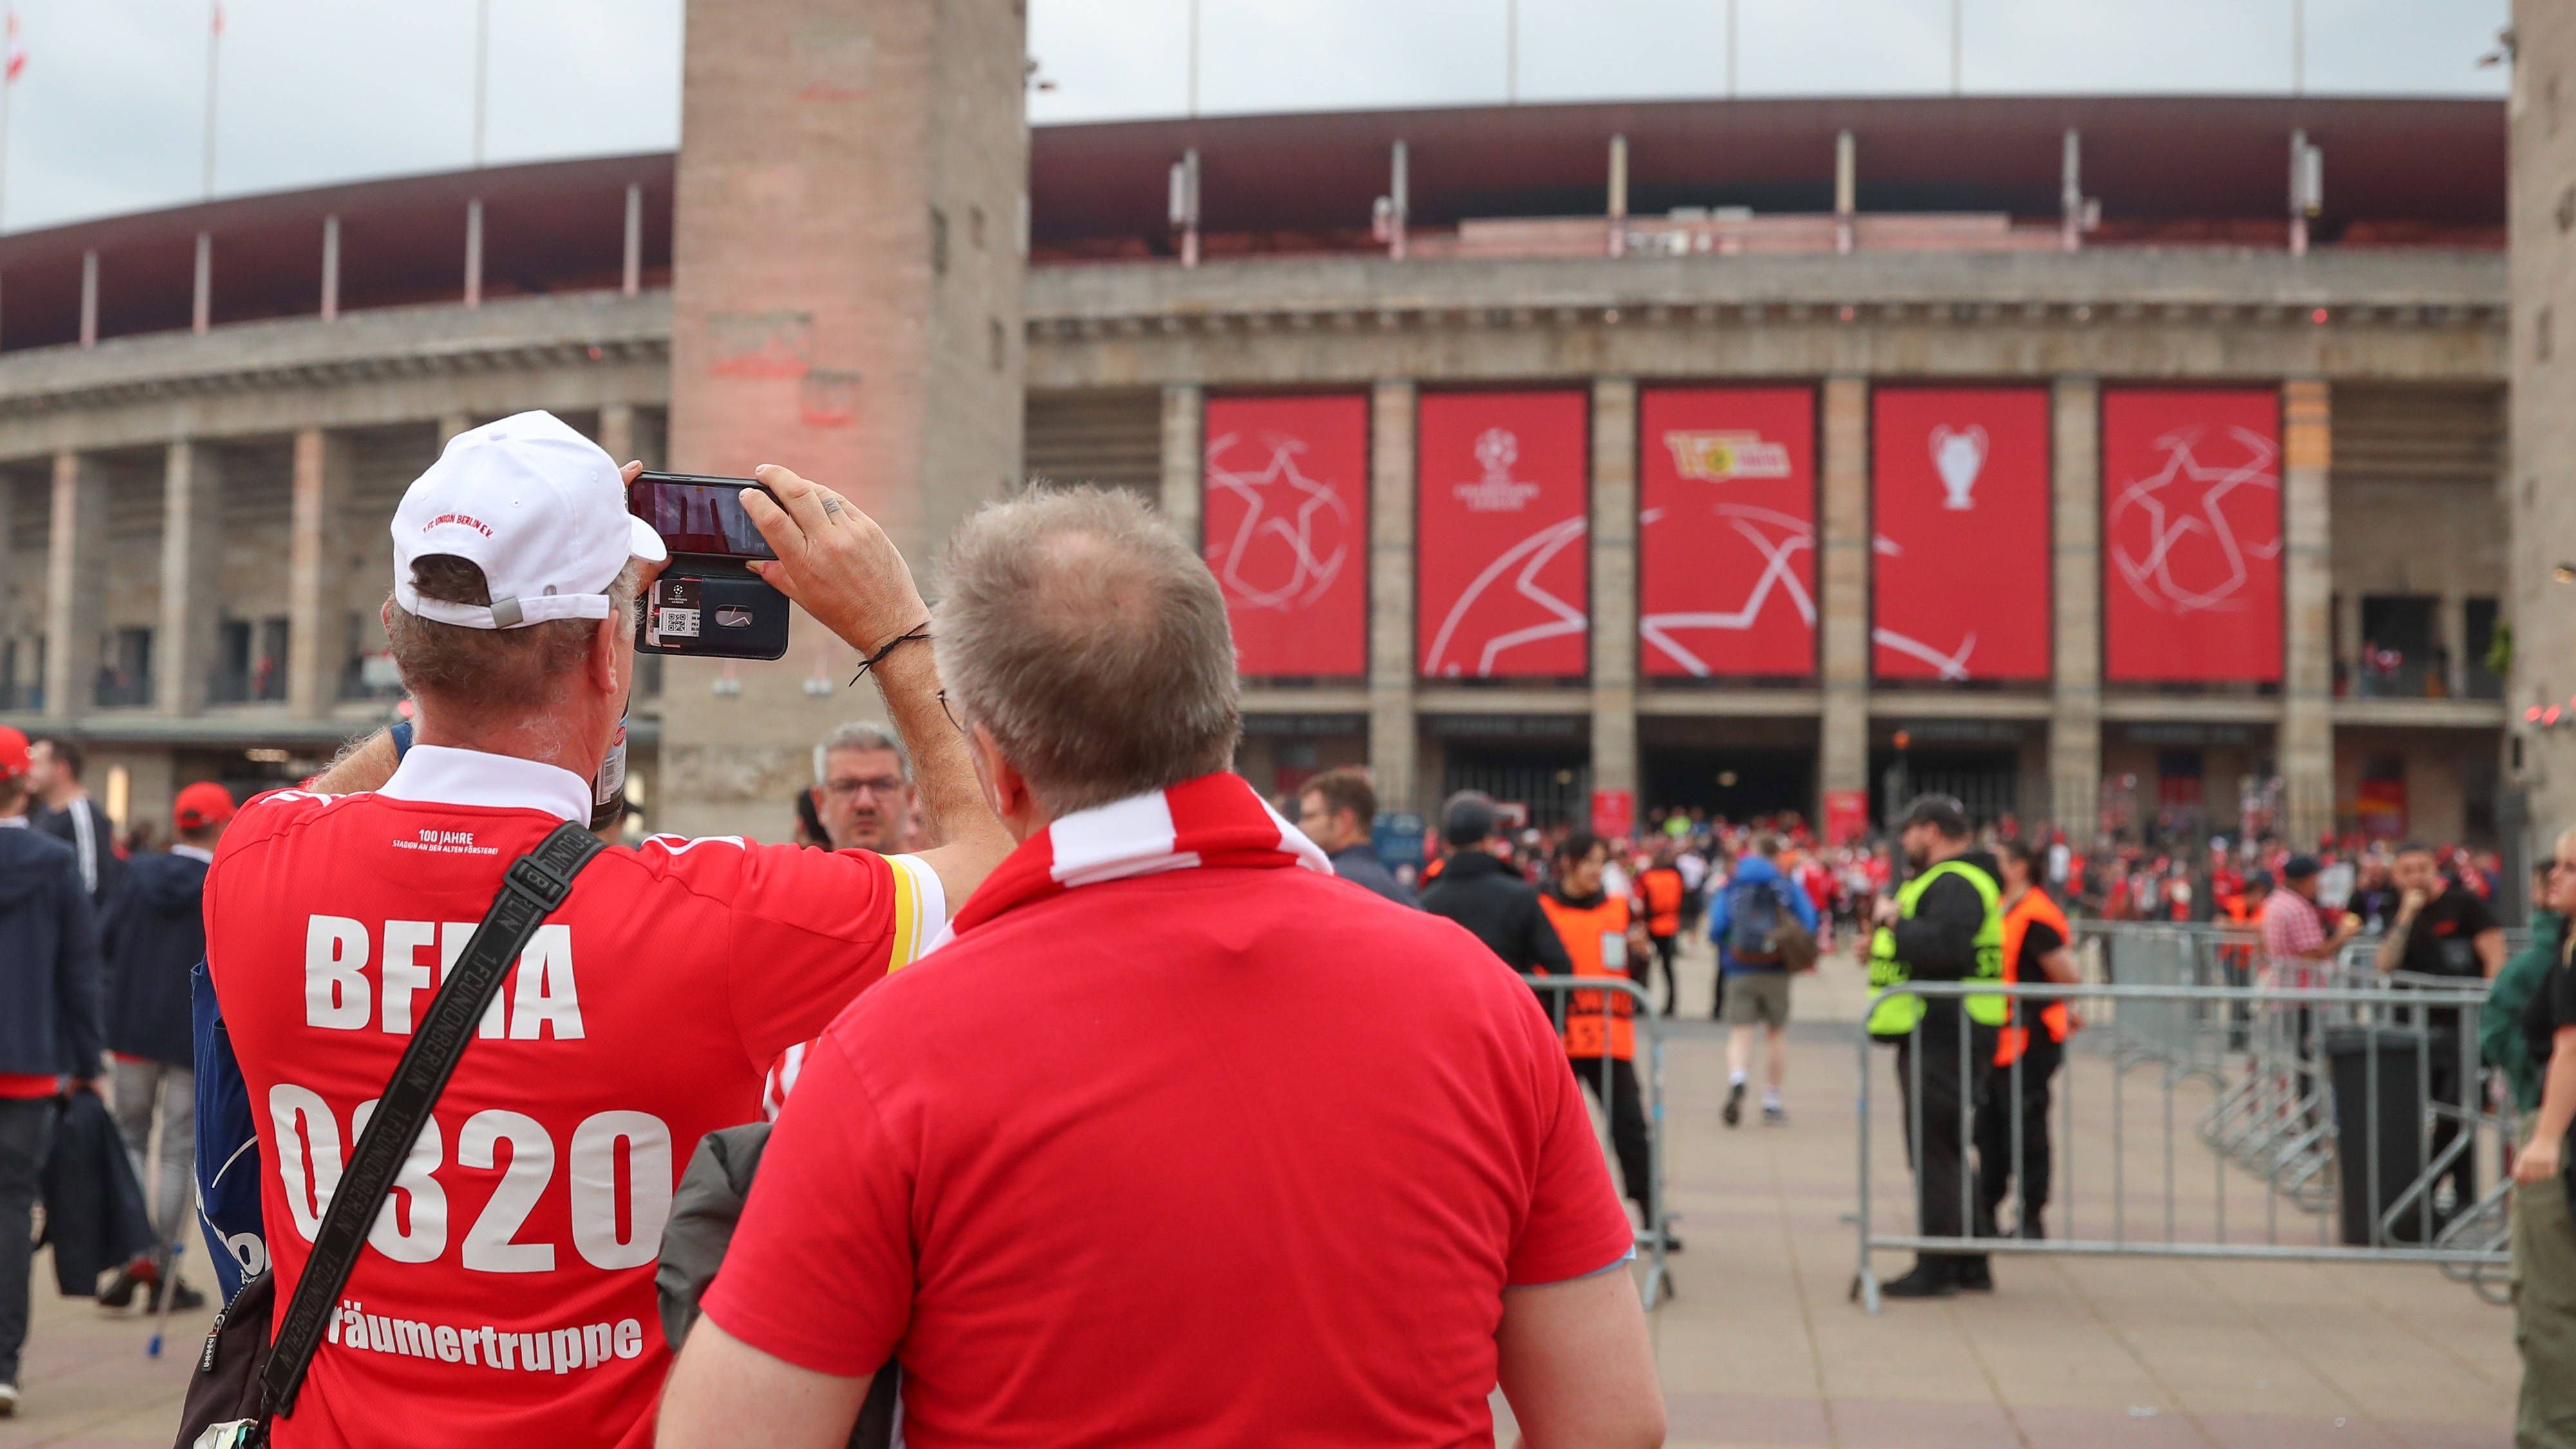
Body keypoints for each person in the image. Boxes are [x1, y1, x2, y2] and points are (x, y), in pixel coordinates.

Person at [657, 487, 1661, 1449]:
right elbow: (1613, 1418)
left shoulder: (888, 1051)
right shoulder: (1479, 996)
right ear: (1222, 708)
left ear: (998, 768)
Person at [196, 412, 1011, 1449]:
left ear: (404, 637)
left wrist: (461, 655)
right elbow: (999, 869)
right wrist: (899, 630)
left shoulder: (254, 864)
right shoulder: (711, 914)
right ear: (608, 651)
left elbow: (352, 786)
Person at [92, 782, 235, 1315]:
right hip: (191, 1035)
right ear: (221, 825)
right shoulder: (222, 880)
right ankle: (162, 1264)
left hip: (131, 1028)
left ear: (179, 824)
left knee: (129, 1138)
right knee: (178, 1150)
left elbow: (101, 940)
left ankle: (136, 1253)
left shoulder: (139, 873)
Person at [0, 724, 105, 1417]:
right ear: (23, 782)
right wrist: (89, 1061)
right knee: (9, 1213)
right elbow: (79, 970)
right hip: (28, 1062)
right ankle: (3, 1365)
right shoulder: (52, 858)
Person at [1866, 795, 2006, 1300]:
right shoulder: (1946, 881)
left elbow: (1946, 947)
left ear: (1932, 831)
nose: (1904, 842)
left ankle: (1939, 1264)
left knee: (1935, 1150)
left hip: (1947, 1026)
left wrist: (1892, 923)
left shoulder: (1956, 881)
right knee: (1943, 1145)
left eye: (1909, 831)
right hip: (1942, 1025)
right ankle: (1970, 1260)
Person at [1538, 830, 1662, 1243]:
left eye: (1601, 862)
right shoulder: (1541, 909)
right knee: (1547, 1139)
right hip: (1557, 1042)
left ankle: (1651, 1216)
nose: (1597, 871)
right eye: (1589, 861)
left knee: (1631, 1130)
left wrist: (1642, 957)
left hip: (1609, 1040)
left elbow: (1634, 977)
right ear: (1568, 863)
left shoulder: (1620, 910)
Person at [2374, 842, 2506, 1219]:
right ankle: (2437, 1195)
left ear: (2435, 870)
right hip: (2414, 1028)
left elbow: (2495, 956)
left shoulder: (2466, 905)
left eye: (2422, 868)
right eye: (2407, 871)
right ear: (2397, 877)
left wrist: (2486, 1009)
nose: (2416, 877)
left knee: (2457, 1110)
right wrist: (2406, 914)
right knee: (2419, 1111)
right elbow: (2385, 963)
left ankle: (2438, 1189)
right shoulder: (2396, 911)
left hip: (2462, 1026)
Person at [1975, 838, 2081, 1241]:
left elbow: (2069, 975)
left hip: (2031, 1040)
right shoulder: (2002, 907)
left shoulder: (2036, 914)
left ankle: (2031, 1216)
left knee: (2027, 1129)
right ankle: (1988, 1209)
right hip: (2002, 1039)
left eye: (1998, 860)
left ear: (2020, 868)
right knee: (1992, 1130)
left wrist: (2062, 1004)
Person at [2510, 826, 2576, 1448]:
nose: (2556, 877)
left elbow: (2571, 1047)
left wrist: (2548, 1137)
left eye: (2572, 867)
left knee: (2551, 1307)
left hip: (2565, 1141)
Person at [1708, 833, 1815, 1128]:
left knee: (1740, 1032)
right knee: (1776, 1034)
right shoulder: (1785, 885)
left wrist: (1728, 949)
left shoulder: (1733, 884)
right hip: (1776, 968)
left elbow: (1716, 927)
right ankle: (1772, 1100)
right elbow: (1809, 921)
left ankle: (1738, 1078)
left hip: (1739, 967)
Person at [1420, 791, 1577, 983]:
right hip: (1504, 1010)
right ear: (1488, 840)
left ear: (1447, 843)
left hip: (1447, 1011)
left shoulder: (1427, 899)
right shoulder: (1519, 895)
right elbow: (1560, 966)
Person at [1295, 766, 1414, 906]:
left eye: (1310, 817)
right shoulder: (1393, 888)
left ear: (1344, 821)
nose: (1300, 827)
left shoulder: (1331, 880)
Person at [28, 735, 122, 909]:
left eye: (37, 764)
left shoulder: (82, 814)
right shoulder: (43, 811)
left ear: (61, 768)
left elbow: (91, 882)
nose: (30, 771)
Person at [810, 721, 916, 853]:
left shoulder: (941, 873)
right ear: (820, 802)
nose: (865, 803)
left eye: (883, 785)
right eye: (846, 787)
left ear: (910, 797)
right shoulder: (796, 874)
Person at [1633, 843, 1687, 1015]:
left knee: (1645, 967)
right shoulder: (1675, 877)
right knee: (1668, 967)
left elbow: (1642, 903)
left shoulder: (1648, 878)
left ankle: (1642, 1003)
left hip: (1652, 925)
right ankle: (1672, 1003)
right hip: (1670, 925)